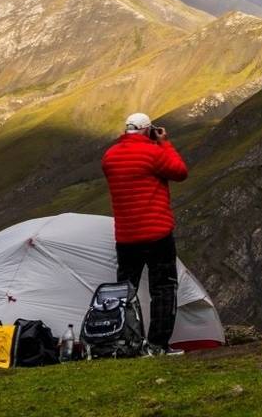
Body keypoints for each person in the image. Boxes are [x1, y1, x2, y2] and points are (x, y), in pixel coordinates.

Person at [101, 112, 188, 353]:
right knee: (163, 289)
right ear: (147, 130)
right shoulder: (154, 153)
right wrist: (163, 142)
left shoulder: (109, 157)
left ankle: (125, 343)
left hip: (127, 236)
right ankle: (158, 345)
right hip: (157, 234)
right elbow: (180, 172)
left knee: (124, 291)